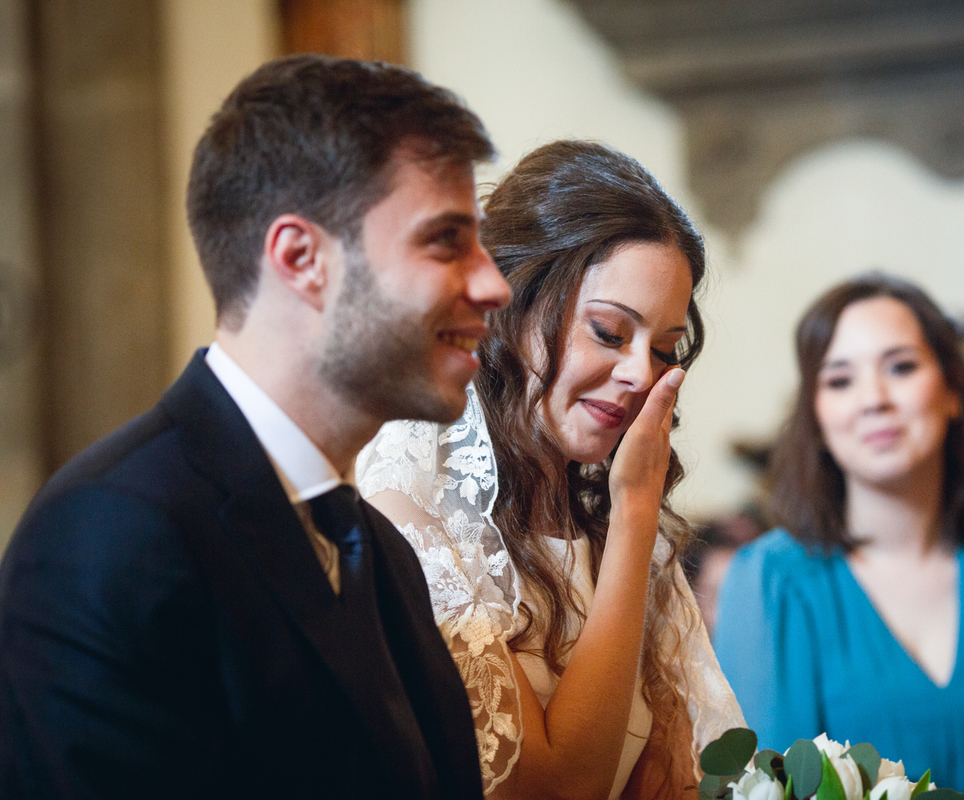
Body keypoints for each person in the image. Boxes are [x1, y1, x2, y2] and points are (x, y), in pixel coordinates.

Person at [0, 54, 511, 799]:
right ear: (301, 258)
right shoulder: (112, 534)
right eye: (445, 241)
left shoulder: (384, 554)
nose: (493, 283)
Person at [357, 140, 744, 800]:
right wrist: (635, 516)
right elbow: (556, 788)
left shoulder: (603, 524)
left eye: (663, 349)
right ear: (510, 303)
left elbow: (675, 779)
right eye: (610, 332)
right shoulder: (407, 499)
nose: (639, 374)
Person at [714, 273, 964, 800]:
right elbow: (766, 785)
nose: (874, 399)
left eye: (901, 367)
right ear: (816, 418)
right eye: (840, 380)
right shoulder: (769, 581)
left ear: (953, 390)